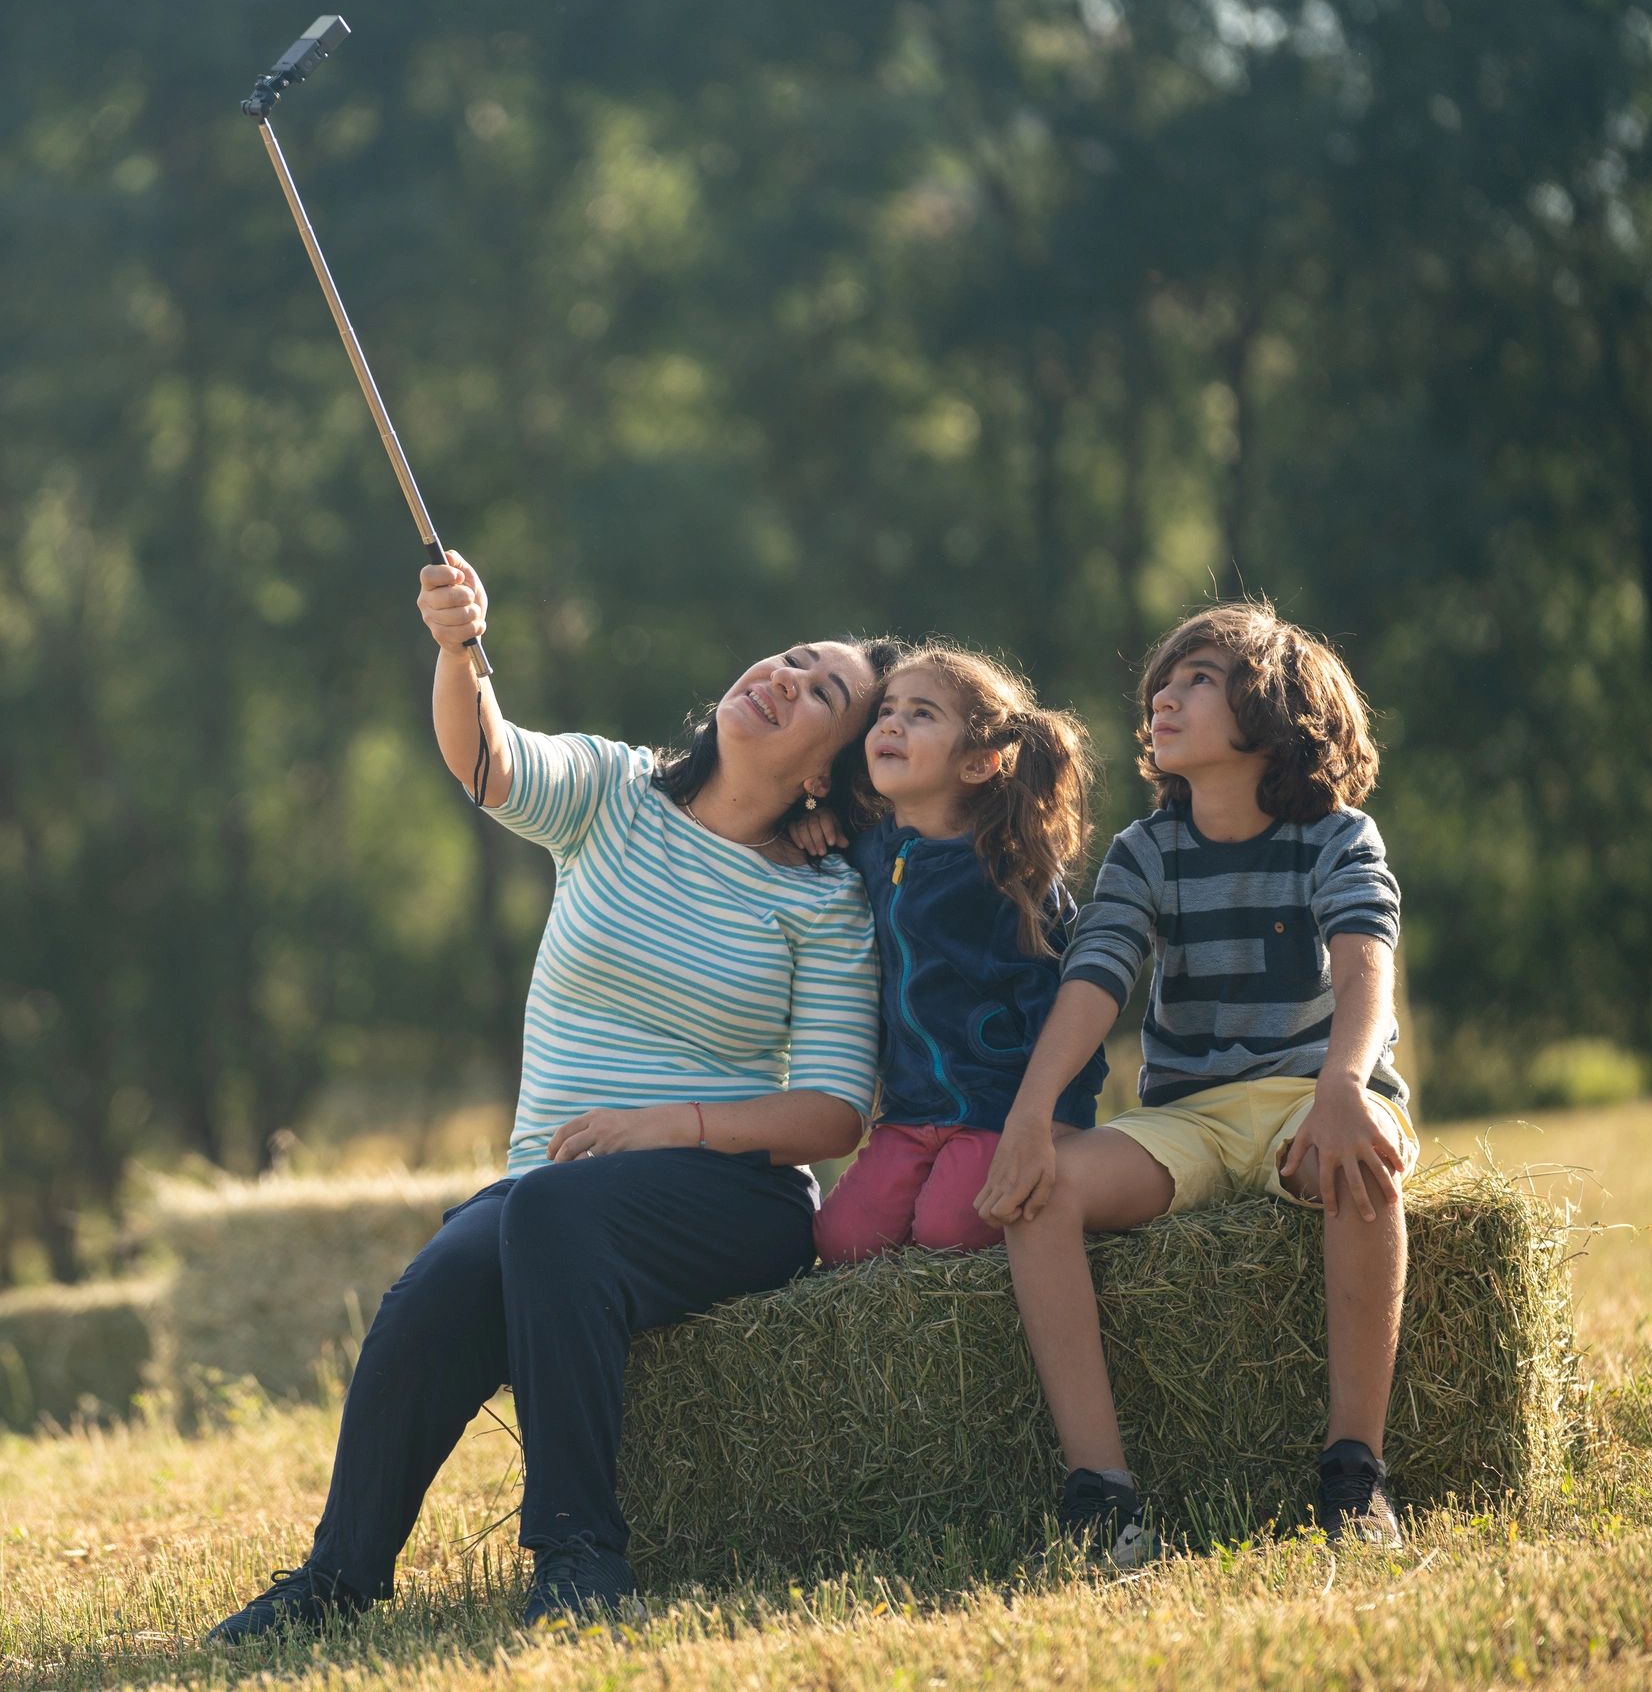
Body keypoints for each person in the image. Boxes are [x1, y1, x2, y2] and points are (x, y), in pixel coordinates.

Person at [208, 552, 893, 1641]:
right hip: (555, 1194)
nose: (785, 675)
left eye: (822, 691)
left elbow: (832, 1116)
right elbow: (487, 762)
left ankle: (579, 1554)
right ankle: (338, 1577)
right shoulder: (614, 791)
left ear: (829, 772)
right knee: (439, 1283)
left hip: (730, 1200)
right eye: (792, 658)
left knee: (539, 1210)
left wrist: (671, 1125)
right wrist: (457, 647)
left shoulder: (824, 901)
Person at [974, 600, 1417, 1563]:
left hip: (1315, 1091)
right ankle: (1105, 1497)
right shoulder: (1146, 850)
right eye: (1160, 686)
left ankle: (1354, 1473)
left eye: (1199, 680)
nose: (1165, 698)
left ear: (1274, 711)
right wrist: (1031, 1117)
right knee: (1041, 1193)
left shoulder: (1337, 837)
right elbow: (1095, 982)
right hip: (1189, 1118)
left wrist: (1347, 1085)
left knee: (1362, 1167)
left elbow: (1365, 967)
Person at [792, 644, 1107, 1263]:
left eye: (921, 715)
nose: (890, 724)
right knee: (842, 1243)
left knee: (948, 1232)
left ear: (979, 763)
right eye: (886, 710)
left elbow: (1064, 1008)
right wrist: (811, 823)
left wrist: (1056, 1122)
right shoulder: (869, 851)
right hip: (908, 1113)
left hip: (999, 1112)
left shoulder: (1011, 875)